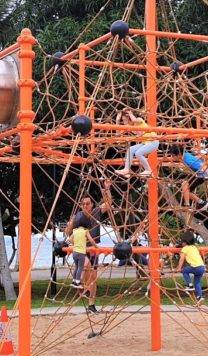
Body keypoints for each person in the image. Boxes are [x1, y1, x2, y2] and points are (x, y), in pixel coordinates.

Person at [67, 182, 113, 313]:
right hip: (81, 248)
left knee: (93, 276)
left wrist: (107, 189)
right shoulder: (78, 217)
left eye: (88, 203)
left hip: (93, 249)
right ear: (81, 205)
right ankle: (84, 287)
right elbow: (68, 233)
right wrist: (70, 224)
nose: (86, 205)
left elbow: (108, 203)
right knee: (85, 265)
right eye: (84, 204)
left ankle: (91, 304)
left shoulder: (96, 212)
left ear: (92, 204)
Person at [115, 109, 159, 177]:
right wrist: (117, 120)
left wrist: (129, 113)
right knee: (130, 150)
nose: (124, 122)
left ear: (129, 117)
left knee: (138, 153)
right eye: (123, 120)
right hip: (146, 143)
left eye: (125, 120)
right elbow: (117, 133)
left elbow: (134, 120)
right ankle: (126, 170)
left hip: (153, 141)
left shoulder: (139, 120)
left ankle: (148, 170)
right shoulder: (130, 126)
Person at [65, 218, 96, 288]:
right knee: (80, 268)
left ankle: (73, 281)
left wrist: (75, 243)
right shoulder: (85, 231)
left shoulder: (75, 231)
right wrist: (96, 247)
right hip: (81, 252)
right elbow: (91, 240)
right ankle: (77, 283)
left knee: (76, 267)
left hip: (75, 252)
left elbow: (69, 240)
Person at [176, 230, 206, 301]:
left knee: (184, 270)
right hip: (202, 267)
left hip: (196, 267)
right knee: (197, 282)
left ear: (184, 242)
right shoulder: (194, 247)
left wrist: (179, 268)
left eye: (182, 242)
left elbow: (181, 259)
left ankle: (189, 284)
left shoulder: (185, 248)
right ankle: (200, 296)